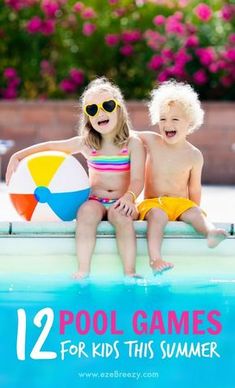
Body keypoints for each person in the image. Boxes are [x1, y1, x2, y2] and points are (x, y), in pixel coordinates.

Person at [6, 77, 145, 279]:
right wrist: (18, 156)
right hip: (95, 200)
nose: (100, 113)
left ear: (119, 109)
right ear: (87, 117)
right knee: (86, 215)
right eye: (92, 109)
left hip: (123, 201)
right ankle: (83, 270)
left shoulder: (133, 144)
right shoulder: (87, 144)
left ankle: (130, 272)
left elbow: (138, 179)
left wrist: (129, 197)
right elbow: (52, 146)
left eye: (107, 105)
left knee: (121, 218)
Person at [137, 80, 227, 275]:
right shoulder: (152, 141)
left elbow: (194, 188)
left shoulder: (194, 155)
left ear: (190, 123)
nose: (167, 124)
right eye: (162, 119)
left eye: (175, 120)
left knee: (195, 213)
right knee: (158, 217)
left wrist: (194, 209)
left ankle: (210, 232)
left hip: (179, 203)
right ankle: (155, 258)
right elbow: (125, 134)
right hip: (153, 203)